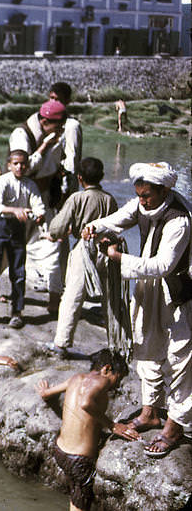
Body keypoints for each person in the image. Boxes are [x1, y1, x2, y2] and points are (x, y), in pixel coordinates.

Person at [83, 161, 192, 458]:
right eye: (139, 195)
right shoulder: (143, 204)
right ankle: (150, 412)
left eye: (147, 196)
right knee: (145, 343)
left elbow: (163, 265)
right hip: (149, 286)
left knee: (180, 358)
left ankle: (174, 425)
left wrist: (119, 258)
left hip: (177, 290)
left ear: (164, 189)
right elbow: (120, 218)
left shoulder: (178, 219)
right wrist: (96, 226)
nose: (142, 201)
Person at [36, 349, 139, 510]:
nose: (117, 385)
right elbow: (86, 403)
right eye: (118, 378)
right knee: (81, 502)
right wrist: (112, 425)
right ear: (107, 369)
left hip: (60, 451)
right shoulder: (102, 380)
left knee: (76, 495)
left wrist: (44, 390)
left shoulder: (75, 378)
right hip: (79, 460)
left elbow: (46, 394)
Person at [45, 157, 118, 356]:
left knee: (72, 296)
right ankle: (117, 342)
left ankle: (61, 343)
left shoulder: (77, 198)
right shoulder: (109, 199)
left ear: (79, 178)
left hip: (84, 248)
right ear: (101, 177)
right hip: (107, 248)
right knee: (111, 297)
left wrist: (52, 234)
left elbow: (58, 227)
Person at [10, 98, 69, 313]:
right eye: (58, 124)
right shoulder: (22, 135)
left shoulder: (56, 136)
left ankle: (55, 297)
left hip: (46, 198)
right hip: (22, 199)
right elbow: (21, 170)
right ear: (45, 122)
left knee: (52, 245)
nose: (61, 129)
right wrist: (43, 147)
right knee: (12, 246)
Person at [0, 150, 46, 329]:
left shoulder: (30, 184)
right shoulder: (2, 181)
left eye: (23, 164)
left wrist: (39, 216)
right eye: (16, 163)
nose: (20, 167)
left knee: (18, 273)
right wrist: (15, 210)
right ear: (9, 165)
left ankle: (17, 312)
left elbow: (39, 206)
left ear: (27, 165)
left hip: (17, 230)